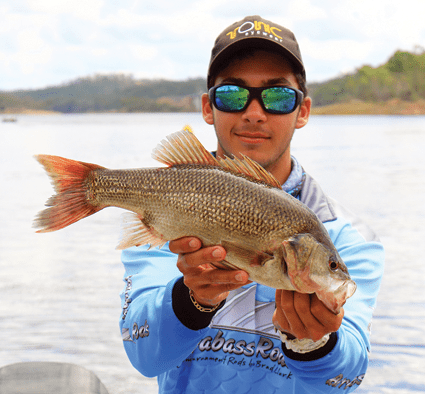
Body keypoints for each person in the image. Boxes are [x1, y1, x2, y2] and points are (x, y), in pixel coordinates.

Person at [119, 15, 384, 393]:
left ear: (303, 111)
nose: (254, 112)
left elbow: (343, 381)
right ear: (208, 108)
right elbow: (145, 357)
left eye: (277, 96)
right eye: (232, 94)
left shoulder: (350, 236)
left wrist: (313, 343)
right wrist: (192, 300)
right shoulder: (173, 206)